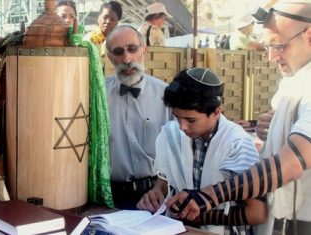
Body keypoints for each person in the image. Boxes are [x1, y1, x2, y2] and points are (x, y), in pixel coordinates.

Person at [165, 1, 311, 235]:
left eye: (279, 46)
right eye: (268, 47)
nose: (271, 57)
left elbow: (294, 161)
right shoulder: (295, 80)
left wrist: (208, 196)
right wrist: (267, 126)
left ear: (309, 35)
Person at [137, 68, 267, 234]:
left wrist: (202, 217)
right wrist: (155, 193)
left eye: (191, 120)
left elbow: (257, 213)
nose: (182, 127)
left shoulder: (237, 143)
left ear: (216, 112)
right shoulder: (169, 134)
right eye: (177, 117)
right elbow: (164, 182)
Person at [105, 25, 173, 209]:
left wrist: (161, 187)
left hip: (156, 195)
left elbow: (178, 150)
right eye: (118, 52)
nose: (127, 59)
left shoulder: (165, 95)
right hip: (110, 197)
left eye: (132, 49)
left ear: (144, 49)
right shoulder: (98, 97)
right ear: (110, 58)